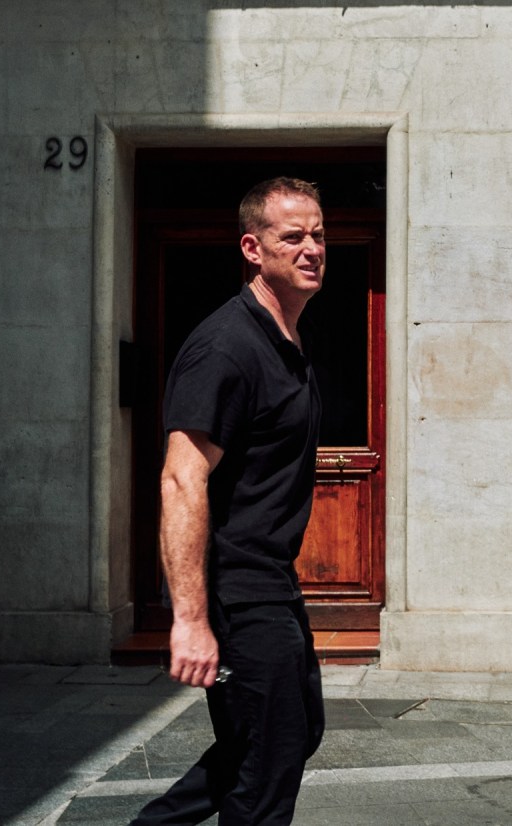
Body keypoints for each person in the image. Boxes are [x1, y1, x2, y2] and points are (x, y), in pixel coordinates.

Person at [131, 177, 329, 826]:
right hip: (238, 591)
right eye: (292, 237)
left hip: (273, 581)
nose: (311, 248)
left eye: (318, 235)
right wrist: (190, 619)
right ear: (253, 249)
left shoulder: (286, 340)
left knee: (289, 735)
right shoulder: (226, 348)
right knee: (266, 765)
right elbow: (181, 479)